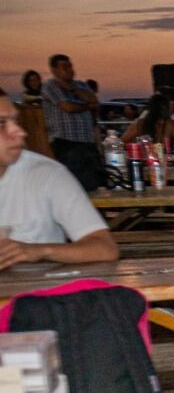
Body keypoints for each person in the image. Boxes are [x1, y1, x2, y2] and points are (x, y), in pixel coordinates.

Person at [0, 90, 118, 269]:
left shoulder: (47, 174)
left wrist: (40, 251)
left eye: (15, 121)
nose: (20, 132)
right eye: (1, 123)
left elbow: (105, 248)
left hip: (38, 292)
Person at [40, 53, 104, 190]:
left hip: (87, 141)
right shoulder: (50, 86)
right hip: (66, 142)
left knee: (94, 181)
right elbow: (67, 107)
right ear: (54, 70)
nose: (69, 69)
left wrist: (74, 89)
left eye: (70, 66)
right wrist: (87, 106)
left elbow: (95, 101)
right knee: (74, 183)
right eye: (64, 67)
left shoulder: (80, 85)